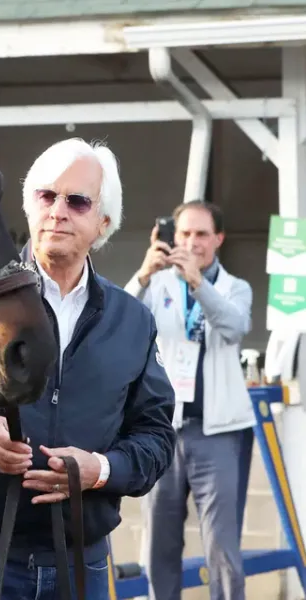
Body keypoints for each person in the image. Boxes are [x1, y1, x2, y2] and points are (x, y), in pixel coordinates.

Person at [0, 138, 177, 600]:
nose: (58, 211)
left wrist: (100, 469)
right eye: (46, 196)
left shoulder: (133, 321)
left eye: (77, 201)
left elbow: (157, 438)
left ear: (103, 223)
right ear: (28, 206)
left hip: (82, 566)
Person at [124, 200, 255, 600]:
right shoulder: (157, 285)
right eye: (184, 234)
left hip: (217, 433)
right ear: (170, 236)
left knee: (222, 549)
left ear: (218, 239)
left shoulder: (235, 287)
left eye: (201, 234)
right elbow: (117, 321)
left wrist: (199, 283)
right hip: (162, 432)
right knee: (159, 545)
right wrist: (144, 274)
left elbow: (234, 327)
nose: (191, 242)